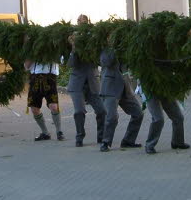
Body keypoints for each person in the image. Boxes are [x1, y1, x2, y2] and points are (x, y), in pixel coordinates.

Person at [67, 15, 107, 147]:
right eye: (79, 21)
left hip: (92, 82)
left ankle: (101, 137)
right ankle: (80, 137)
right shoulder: (73, 38)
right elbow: (71, 64)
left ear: (88, 23)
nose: (82, 23)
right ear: (77, 23)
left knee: (102, 111)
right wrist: (73, 48)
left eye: (84, 21)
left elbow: (99, 59)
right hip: (77, 83)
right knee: (79, 111)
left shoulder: (93, 40)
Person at [98, 46, 144, 152]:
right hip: (110, 87)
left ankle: (128, 141)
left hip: (125, 87)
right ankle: (105, 142)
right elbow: (107, 62)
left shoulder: (125, 48)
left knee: (138, 113)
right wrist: (114, 49)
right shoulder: (105, 49)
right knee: (112, 117)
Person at [25, 59, 63, 141]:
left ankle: (59, 131)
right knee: (34, 109)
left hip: (50, 78)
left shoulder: (54, 48)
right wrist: (32, 56)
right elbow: (26, 66)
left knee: (54, 107)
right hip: (34, 79)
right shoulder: (31, 49)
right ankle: (45, 133)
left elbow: (61, 61)